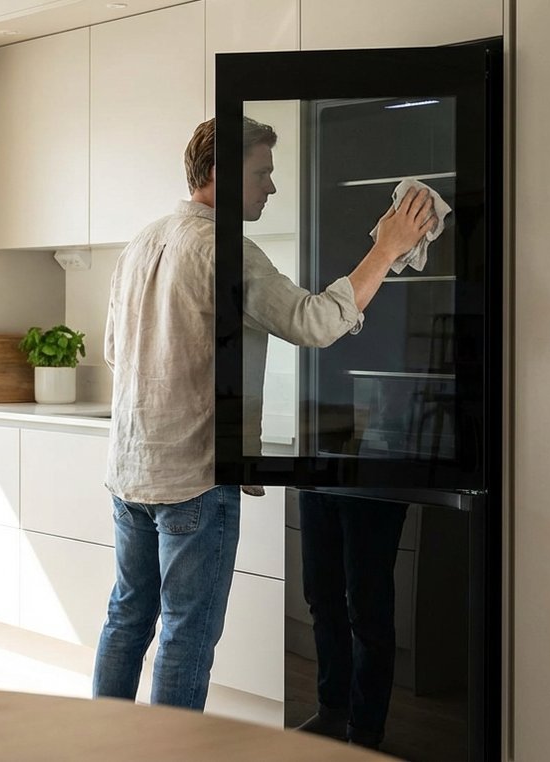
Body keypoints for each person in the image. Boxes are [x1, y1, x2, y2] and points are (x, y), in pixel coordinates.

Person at [92, 116, 433, 710]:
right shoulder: (227, 249)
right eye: (262, 172)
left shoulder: (143, 239)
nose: (271, 187)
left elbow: (114, 353)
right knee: (185, 632)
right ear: (222, 172)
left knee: (127, 618)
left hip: (131, 474)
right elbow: (314, 320)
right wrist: (386, 248)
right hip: (195, 482)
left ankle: (107, 748)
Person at [295, 490, 408, 751]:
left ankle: (364, 732)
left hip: (373, 482)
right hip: (316, 475)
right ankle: (332, 712)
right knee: (321, 598)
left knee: (368, 612)